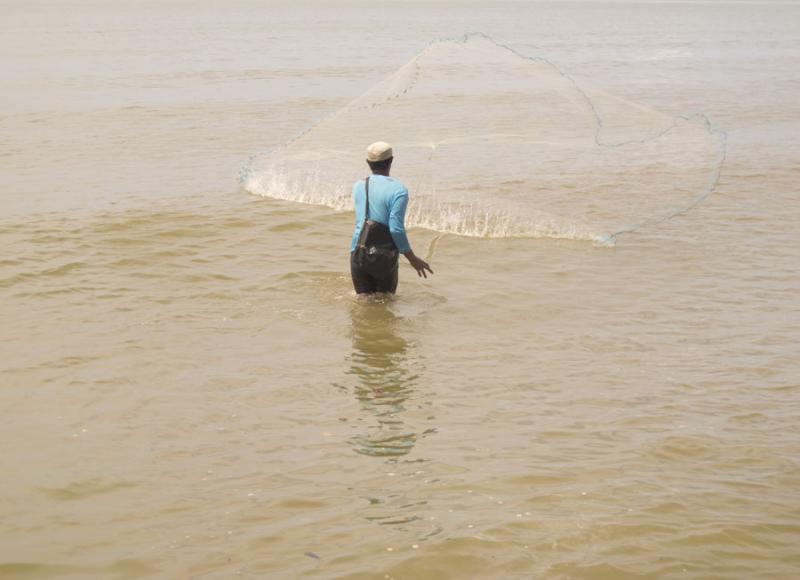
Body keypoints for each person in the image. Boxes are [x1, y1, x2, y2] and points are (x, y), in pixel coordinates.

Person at [350, 141, 433, 294]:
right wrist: (412, 259)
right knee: (385, 304)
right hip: (383, 257)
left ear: (368, 162)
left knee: (364, 303)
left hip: (357, 253)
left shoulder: (358, 185)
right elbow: (396, 229)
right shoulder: (399, 190)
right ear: (391, 161)